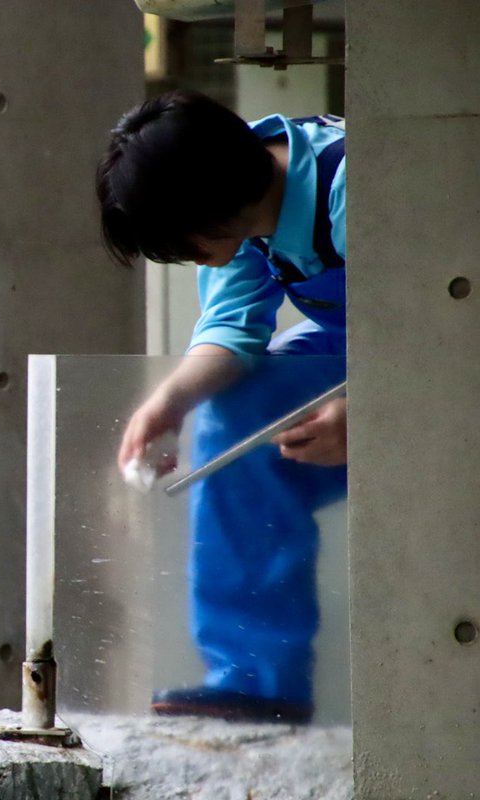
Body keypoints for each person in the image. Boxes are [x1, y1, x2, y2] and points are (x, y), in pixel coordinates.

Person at [96, 89, 348, 724]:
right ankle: (259, 683)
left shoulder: (353, 187)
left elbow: (448, 313)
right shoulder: (247, 210)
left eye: (178, 244)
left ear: (209, 208)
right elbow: (233, 329)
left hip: (448, 341)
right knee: (239, 411)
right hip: (365, 339)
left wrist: (381, 411)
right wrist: (171, 402)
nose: (181, 260)